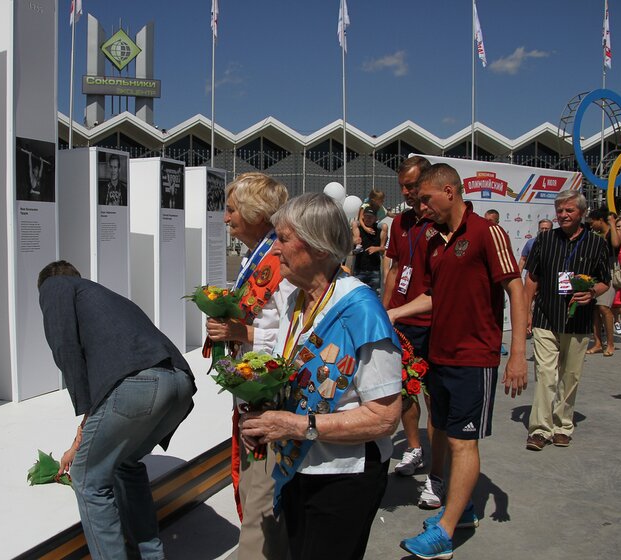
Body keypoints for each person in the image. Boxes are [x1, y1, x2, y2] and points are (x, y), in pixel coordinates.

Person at [239, 193, 403, 560]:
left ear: (318, 247)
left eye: (283, 239)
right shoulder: (296, 299)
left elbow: (384, 418)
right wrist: (262, 416)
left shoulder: (361, 311)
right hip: (299, 466)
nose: (274, 250)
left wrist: (296, 426)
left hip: (343, 477)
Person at [387, 163, 528, 560]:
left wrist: (517, 353)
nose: (421, 206)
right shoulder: (435, 241)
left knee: (463, 443)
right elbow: (432, 296)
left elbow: (515, 289)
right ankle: (460, 508)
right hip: (440, 354)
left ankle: (444, 534)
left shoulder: (487, 232)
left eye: (426, 198)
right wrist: (393, 313)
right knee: (448, 435)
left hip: (474, 357)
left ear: (449, 192)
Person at [38, 261, 196, 560]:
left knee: (88, 480)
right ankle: (151, 556)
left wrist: (83, 415)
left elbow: (64, 346)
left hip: (139, 386)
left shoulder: (55, 285)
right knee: (125, 463)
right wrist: (81, 439)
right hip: (179, 383)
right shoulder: (105, 297)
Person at [204, 172, 291, 560]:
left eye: (231, 210)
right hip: (251, 391)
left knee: (261, 496)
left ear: (256, 214)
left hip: (271, 397)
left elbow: (292, 334)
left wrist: (242, 332)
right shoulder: (256, 256)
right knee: (253, 489)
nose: (225, 218)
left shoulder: (283, 261)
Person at [523, 191, 611, 451]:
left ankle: (562, 426)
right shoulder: (545, 239)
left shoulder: (596, 243)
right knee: (545, 374)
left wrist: (592, 292)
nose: (563, 215)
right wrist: (526, 311)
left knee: (570, 376)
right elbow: (532, 278)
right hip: (545, 316)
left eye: (569, 210)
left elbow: (605, 280)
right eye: (559, 210)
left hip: (578, 320)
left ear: (582, 213)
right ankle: (540, 429)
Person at [381, 156, 443, 507]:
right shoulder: (400, 222)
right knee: (405, 391)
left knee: (434, 398)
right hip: (400, 322)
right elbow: (394, 270)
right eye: (402, 186)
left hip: (431, 324)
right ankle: (415, 449)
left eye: (412, 186)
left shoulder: (441, 223)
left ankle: (437, 473)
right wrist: (383, 311)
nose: (406, 192)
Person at [586, 209, 621, 356]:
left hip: (610, 273)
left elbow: (615, 244)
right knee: (594, 309)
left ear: (600, 220)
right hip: (595, 274)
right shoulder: (595, 235)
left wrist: (612, 223)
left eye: (592, 222)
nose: (591, 225)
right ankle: (598, 343)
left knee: (604, 307)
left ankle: (610, 343)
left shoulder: (613, 233)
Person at [484, 209, 510, 357]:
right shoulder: (481, 235)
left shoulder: (501, 237)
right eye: (485, 219)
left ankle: (497, 343)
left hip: (496, 285)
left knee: (496, 316)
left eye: (491, 221)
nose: (487, 223)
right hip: (483, 287)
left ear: (497, 222)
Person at [351, 205, 387, 294]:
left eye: (371, 217)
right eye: (366, 216)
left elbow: (385, 249)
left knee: (374, 296)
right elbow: (346, 246)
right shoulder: (358, 230)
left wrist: (377, 248)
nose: (368, 219)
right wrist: (353, 241)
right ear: (363, 217)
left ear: (375, 218)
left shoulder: (379, 230)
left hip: (374, 271)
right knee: (358, 295)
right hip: (359, 270)